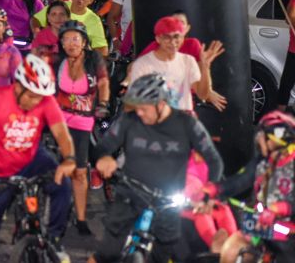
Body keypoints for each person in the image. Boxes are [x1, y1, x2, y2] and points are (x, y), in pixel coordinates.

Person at [88, 73, 224, 263]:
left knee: (166, 251)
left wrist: (209, 193)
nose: (140, 113)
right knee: (107, 252)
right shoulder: (130, 120)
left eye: (144, 109)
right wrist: (104, 158)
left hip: (168, 200)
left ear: (161, 104)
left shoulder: (188, 125)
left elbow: (214, 160)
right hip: (131, 192)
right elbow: (102, 147)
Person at [0, 54, 76, 263]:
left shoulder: (45, 100)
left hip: (30, 159)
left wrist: (69, 159)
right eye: (31, 96)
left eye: (39, 97)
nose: (36, 102)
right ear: (18, 86)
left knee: (62, 183)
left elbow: (62, 133)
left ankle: (54, 237)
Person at [53, 21, 109, 235]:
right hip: (58, 119)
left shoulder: (93, 59)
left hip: (83, 121)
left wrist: (103, 104)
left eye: (75, 38)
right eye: (66, 39)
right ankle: (55, 215)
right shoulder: (58, 60)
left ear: (84, 42)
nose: (71, 43)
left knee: (79, 171)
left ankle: (81, 218)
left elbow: (103, 83)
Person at [216, 111, 295, 262]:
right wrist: (215, 190)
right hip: (260, 226)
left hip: (288, 234)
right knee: (230, 251)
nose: (258, 140)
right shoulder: (263, 161)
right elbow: (242, 180)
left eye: (262, 136)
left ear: (276, 139)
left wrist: (279, 209)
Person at [127, 16, 227, 112]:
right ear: (159, 39)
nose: (173, 42)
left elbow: (202, 94)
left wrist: (206, 68)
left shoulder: (189, 58)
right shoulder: (150, 56)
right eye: (168, 37)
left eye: (176, 36)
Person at [32, 0, 109, 56]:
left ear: (91, 0)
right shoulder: (60, 6)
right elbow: (36, 19)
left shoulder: (94, 19)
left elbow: (101, 47)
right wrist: (36, 31)